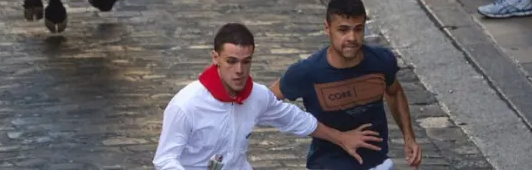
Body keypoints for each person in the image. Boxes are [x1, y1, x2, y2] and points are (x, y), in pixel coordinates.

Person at [153, 23, 383, 170]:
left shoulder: (257, 96)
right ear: (216, 58)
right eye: (231, 62)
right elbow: (164, 160)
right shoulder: (186, 106)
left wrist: (341, 138)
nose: (239, 71)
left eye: (246, 62)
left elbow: (295, 120)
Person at [270, 0, 422, 170]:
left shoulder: (381, 61)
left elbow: (394, 92)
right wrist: (339, 137)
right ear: (327, 28)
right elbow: (267, 102)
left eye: (358, 29)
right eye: (343, 30)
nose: (352, 38)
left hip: (377, 163)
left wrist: (409, 137)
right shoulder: (307, 72)